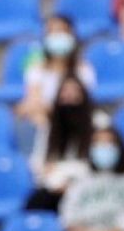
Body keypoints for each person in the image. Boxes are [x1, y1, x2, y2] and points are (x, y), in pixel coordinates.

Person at [16, 15, 95, 163]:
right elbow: (32, 104)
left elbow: (82, 105)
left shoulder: (84, 70)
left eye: (62, 31)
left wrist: (55, 110)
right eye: (52, 32)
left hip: (76, 124)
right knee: (32, 119)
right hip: (46, 124)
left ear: (72, 36)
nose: (57, 36)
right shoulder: (36, 70)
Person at [23, 75, 96, 212]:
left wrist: (63, 173)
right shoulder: (50, 128)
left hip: (86, 189)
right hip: (53, 188)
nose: (69, 97)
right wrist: (53, 179)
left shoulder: (98, 124)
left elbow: (94, 165)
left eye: (74, 91)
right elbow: (37, 162)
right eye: (65, 92)